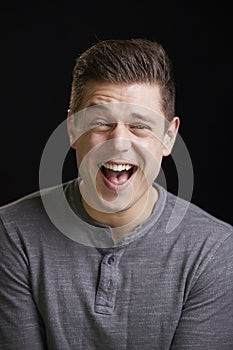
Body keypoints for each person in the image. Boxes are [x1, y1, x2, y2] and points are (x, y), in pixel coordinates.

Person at [0, 38, 233, 350]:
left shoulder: (214, 251)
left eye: (140, 126)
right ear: (72, 129)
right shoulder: (12, 233)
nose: (119, 142)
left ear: (168, 137)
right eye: (100, 122)